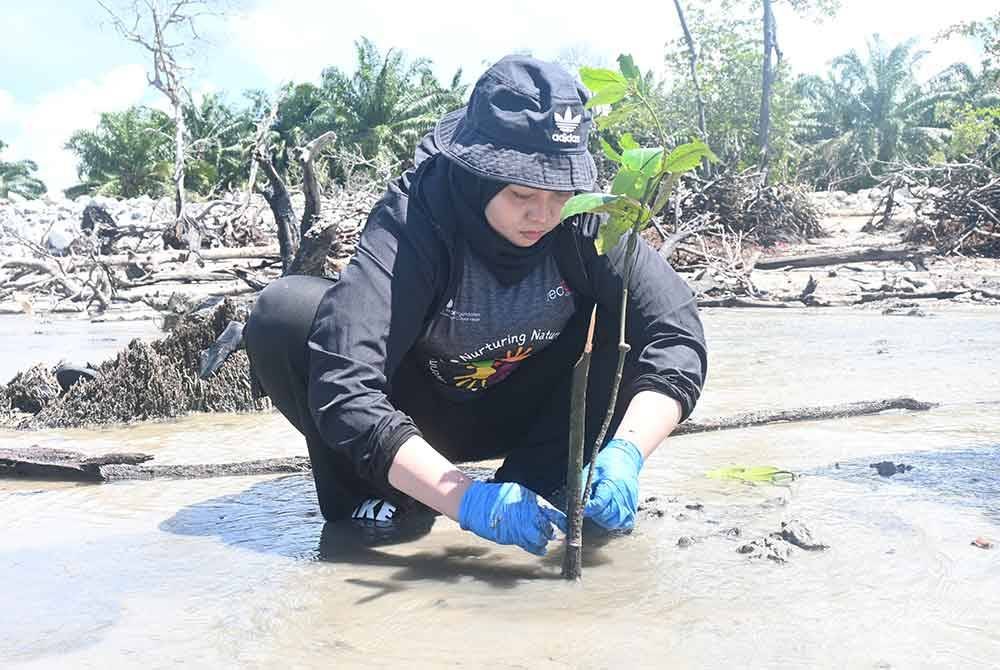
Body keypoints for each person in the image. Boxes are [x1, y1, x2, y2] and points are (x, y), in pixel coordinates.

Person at [243, 54, 708, 557]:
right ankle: (388, 497)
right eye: (522, 193)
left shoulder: (583, 220)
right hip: (417, 417)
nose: (543, 215)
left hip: (529, 415)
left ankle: (544, 480)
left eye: (560, 194)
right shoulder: (418, 217)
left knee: (627, 328)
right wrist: (465, 500)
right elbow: (345, 384)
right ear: (478, 172)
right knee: (283, 313)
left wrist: (628, 452)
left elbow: (676, 333)